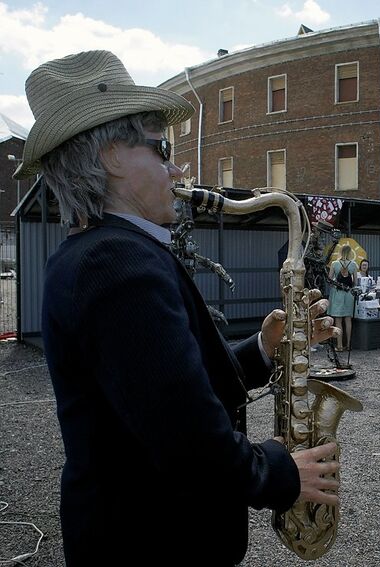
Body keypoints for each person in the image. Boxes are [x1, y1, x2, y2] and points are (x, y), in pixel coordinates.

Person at [16, 51, 340, 566]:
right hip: (154, 545)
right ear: (112, 156)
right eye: (162, 148)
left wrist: (264, 348)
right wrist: (281, 473)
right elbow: (185, 437)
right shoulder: (115, 262)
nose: (178, 166)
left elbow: (167, 388)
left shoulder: (102, 252)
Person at [328, 244, 358, 351]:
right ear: (350, 252)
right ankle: (348, 345)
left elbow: (330, 279)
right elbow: (355, 282)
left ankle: (339, 345)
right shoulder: (353, 264)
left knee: (338, 320)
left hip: (338, 294)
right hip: (349, 294)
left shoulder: (334, 264)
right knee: (348, 319)